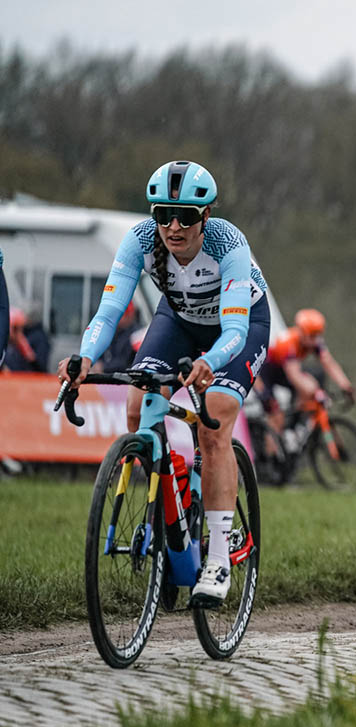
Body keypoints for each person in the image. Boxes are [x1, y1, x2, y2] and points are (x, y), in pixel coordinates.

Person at [57, 160, 271, 607]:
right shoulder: (139, 240)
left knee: (213, 424)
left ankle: (217, 557)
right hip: (178, 321)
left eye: (186, 216)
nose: (174, 227)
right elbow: (109, 312)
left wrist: (210, 362)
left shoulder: (228, 242)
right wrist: (85, 357)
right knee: (138, 406)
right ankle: (169, 509)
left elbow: (234, 330)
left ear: (205, 216)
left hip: (237, 327)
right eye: (163, 215)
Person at [258, 308, 356, 440]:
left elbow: (330, 364)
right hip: (265, 374)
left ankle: (296, 426)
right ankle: (272, 450)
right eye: (312, 335)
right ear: (301, 332)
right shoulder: (288, 343)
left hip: (284, 371)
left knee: (312, 382)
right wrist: (316, 392)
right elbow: (294, 376)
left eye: (318, 335)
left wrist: (347, 387)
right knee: (276, 417)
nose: (315, 340)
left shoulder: (314, 342)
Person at [99, 302, 140, 372]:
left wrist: (103, 367)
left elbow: (125, 362)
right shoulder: (114, 332)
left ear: (130, 315)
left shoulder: (136, 336)